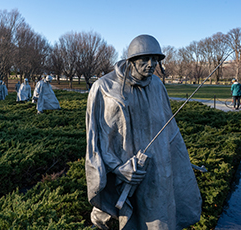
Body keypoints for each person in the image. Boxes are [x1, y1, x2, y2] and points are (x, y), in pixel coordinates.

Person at [85, 35, 202, 230]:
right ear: (131, 60)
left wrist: (179, 164)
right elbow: (94, 140)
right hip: (123, 176)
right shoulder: (104, 88)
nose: (151, 64)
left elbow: (171, 132)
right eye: (145, 59)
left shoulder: (157, 86)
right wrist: (117, 169)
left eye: (155, 59)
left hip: (157, 174)